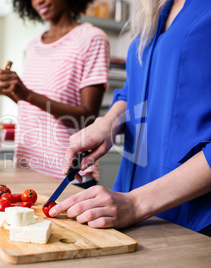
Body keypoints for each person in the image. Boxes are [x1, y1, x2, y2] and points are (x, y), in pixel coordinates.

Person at [49, 0, 211, 236]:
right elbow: (134, 91)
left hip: (193, 219)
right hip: (128, 208)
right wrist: (108, 123)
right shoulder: (157, 10)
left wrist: (136, 203)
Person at [0, 0, 109, 188]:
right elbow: (32, 106)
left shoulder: (92, 38)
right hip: (27, 169)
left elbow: (87, 117)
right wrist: (7, 91)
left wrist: (26, 94)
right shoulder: (34, 46)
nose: (38, 1)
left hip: (66, 177)